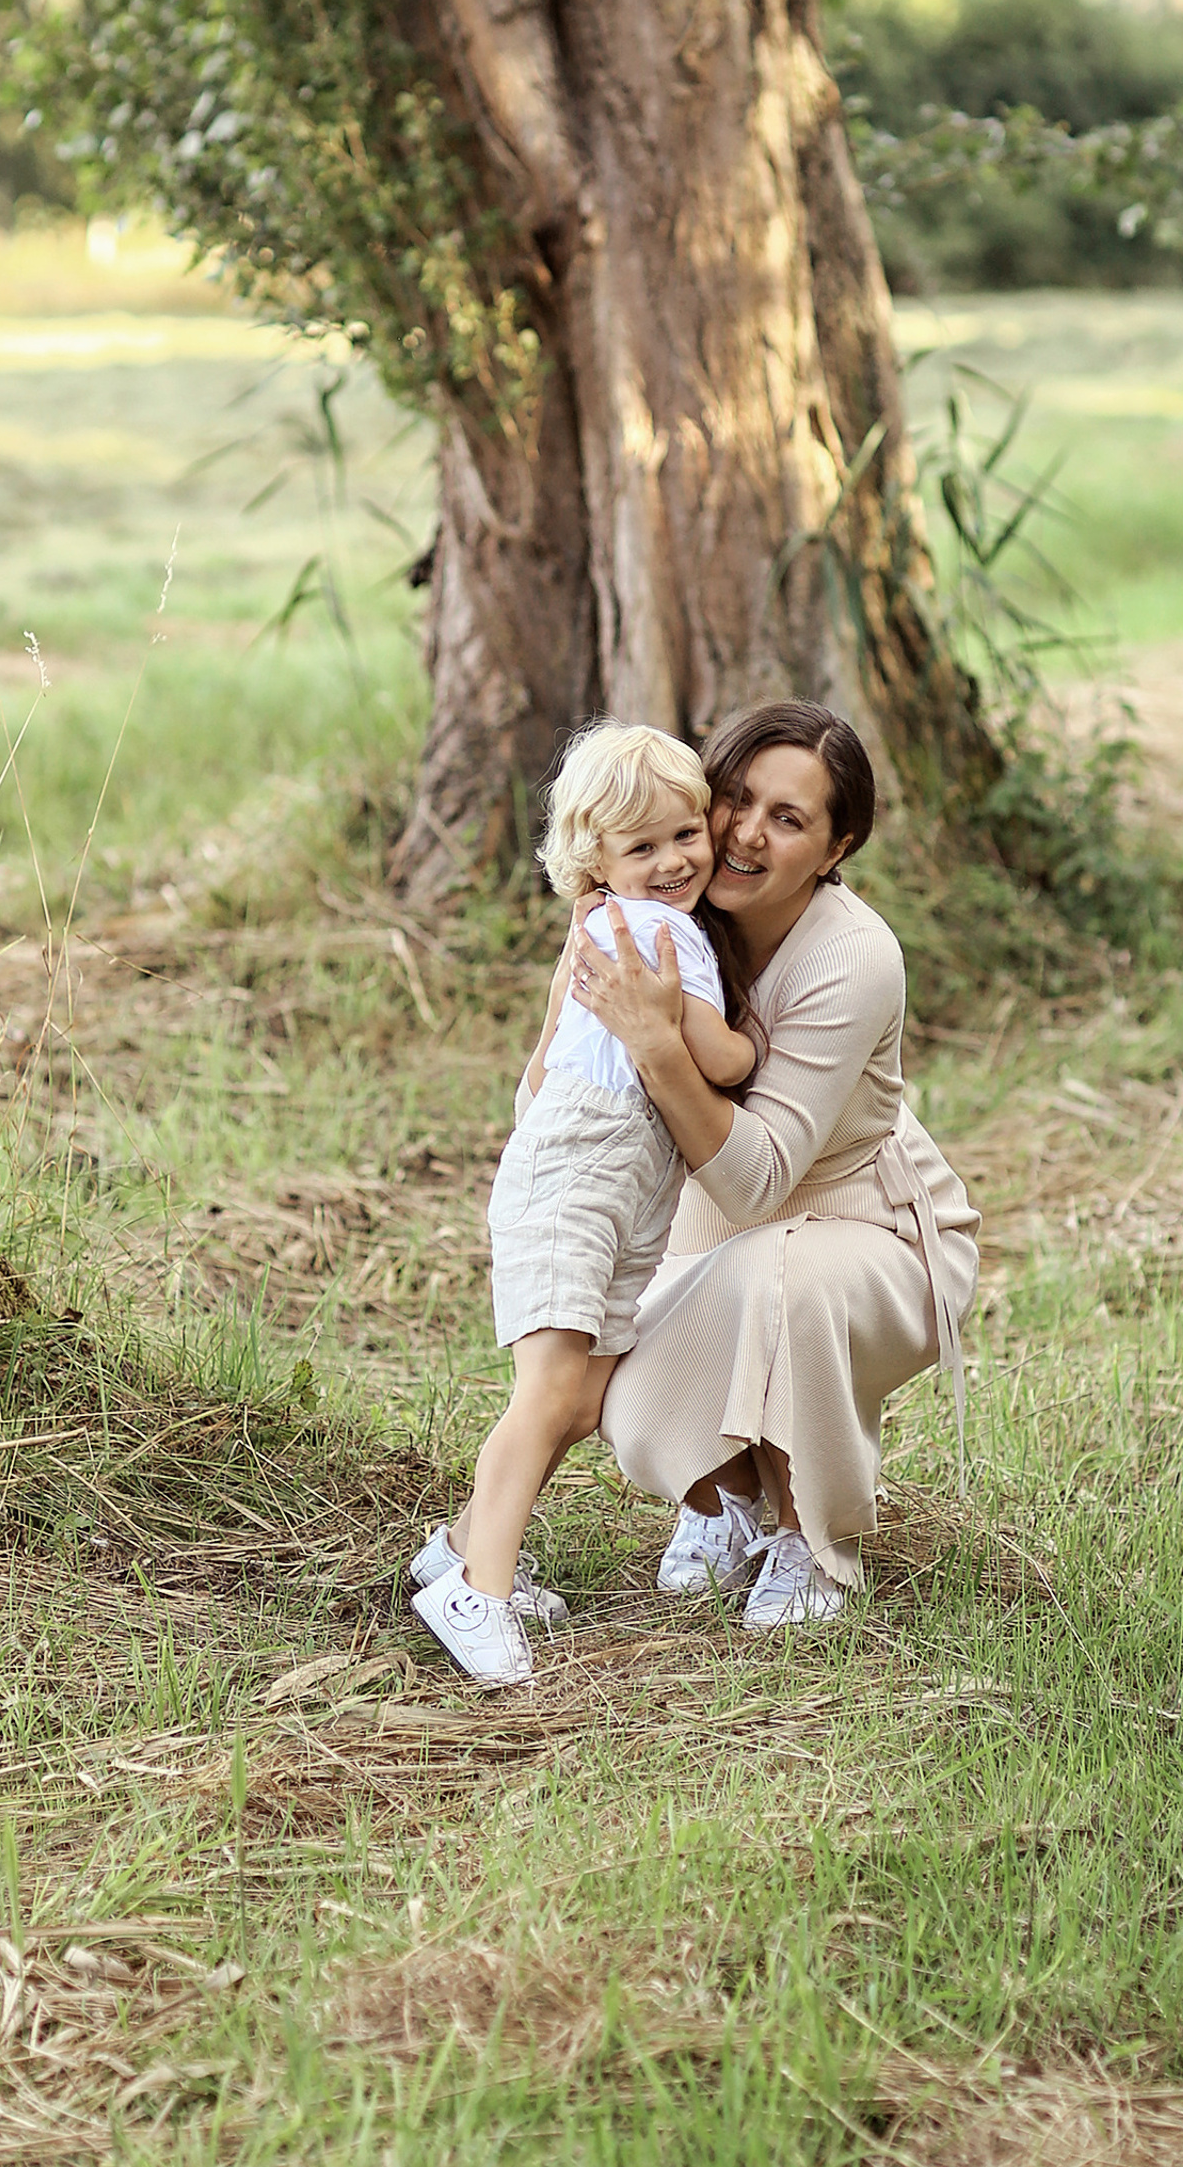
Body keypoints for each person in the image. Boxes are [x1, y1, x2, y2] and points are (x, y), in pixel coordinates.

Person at [414, 699, 980, 1651]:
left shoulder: (854, 955)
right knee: (612, 1389)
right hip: (713, 1229)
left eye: (788, 818)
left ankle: (810, 1539)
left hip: (869, 1236)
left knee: (783, 1277)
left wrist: (655, 1041)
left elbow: (760, 1181)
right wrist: (573, 992)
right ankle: (720, 1505)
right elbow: (542, 1090)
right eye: (736, 800)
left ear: (836, 848)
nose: (746, 834)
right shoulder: (662, 913)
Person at [410, 723, 757, 1687]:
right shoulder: (651, 933)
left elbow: (549, 1052)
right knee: (551, 1392)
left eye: (685, 834)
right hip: (581, 1174)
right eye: (642, 846)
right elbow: (721, 1057)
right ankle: (476, 1592)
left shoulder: (609, 927)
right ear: (593, 859)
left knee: (582, 1397)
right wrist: (754, 1042)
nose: (674, 860)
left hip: (611, 1180)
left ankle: (461, 1549)